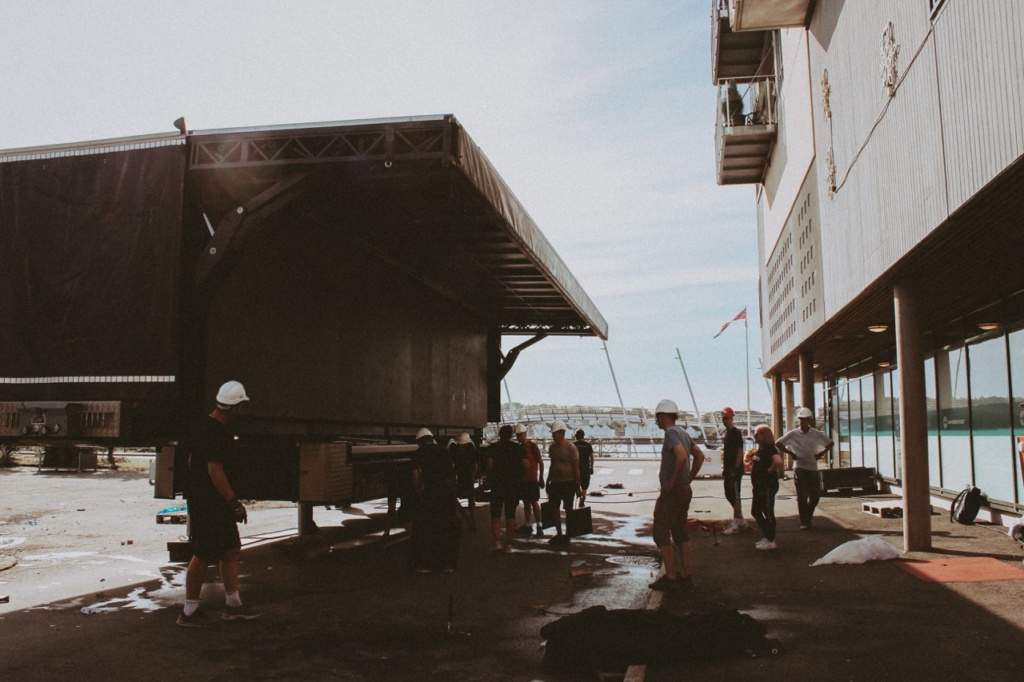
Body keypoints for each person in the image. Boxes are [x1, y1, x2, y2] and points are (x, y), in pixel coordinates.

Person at [177, 380, 261, 627]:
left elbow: (190, 461)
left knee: (230, 549)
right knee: (203, 553)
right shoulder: (219, 433)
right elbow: (215, 471)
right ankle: (189, 612)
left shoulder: (201, 426)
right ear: (236, 407)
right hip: (212, 502)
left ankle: (233, 605)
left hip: (203, 499)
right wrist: (233, 501)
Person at [649, 400, 704, 591]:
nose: (656, 420)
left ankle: (671, 576)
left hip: (673, 491)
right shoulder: (683, 432)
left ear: (664, 416)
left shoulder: (671, 433)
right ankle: (685, 574)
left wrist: (672, 482)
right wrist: (689, 478)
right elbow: (699, 455)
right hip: (684, 489)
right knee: (680, 531)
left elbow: (681, 456)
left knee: (660, 531)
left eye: (657, 417)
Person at [775, 407, 834, 529]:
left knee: (814, 497)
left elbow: (830, 443)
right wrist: (790, 453)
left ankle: (807, 516)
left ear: (809, 420)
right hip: (800, 467)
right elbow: (778, 443)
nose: (802, 422)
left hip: (812, 468)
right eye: (800, 419)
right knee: (802, 496)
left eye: (805, 419)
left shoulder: (816, 434)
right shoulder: (793, 434)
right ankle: (805, 521)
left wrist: (821, 454)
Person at [410, 428, 460, 573]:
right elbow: (453, 470)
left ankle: (427, 565)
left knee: (429, 527)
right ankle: (448, 565)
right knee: (447, 526)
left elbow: (416, 477)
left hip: (432, 490)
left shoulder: (418, 454)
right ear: (431, 438)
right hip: (449, 489)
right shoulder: (444, 450)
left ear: (419, 442)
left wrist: (420, 495)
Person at [485, 424, 524, 552]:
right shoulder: (518, 448)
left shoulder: (493, 447)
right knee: (510, 515)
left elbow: (489, 465)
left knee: (496, 514)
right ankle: (508, 545)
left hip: (497, 485)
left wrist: (490, 478)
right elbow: (526, 465)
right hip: (512, 485)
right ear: (511, 435)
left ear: (500, 434)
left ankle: (497, 542)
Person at [544, 420, 581, 547]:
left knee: (568, 510)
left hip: (568, 483)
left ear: (561, 433)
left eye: (554, 433)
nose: (552, 435)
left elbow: (576, 468)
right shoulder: (552, 447)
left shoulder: (571, 448)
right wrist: (548, 481)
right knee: (555, 509)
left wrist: (578, 486)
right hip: (555, 483)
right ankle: (559, 533)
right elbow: (552, 465)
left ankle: (568, 535)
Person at [749, 424, 785, 550]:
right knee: (755, 511)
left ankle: (770, 540)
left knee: (768, 512)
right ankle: (767, 535)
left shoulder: (770, 449)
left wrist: (769, 471)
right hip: (758, 486)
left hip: (767, 485)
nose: (754, 436)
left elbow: (778, 461)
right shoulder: (761, 449)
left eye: (756, 434)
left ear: (764, 436)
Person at [719, 407, 748, 535]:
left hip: (735, 470)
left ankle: (736, 522)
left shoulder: (736, 433)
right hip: (728, 469)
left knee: (735, 495)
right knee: (729, 493)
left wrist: (735, 469)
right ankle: (740, 519)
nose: (725, 421)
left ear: (731, 418)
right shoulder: (727, 433)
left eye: (727, 418)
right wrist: (725, 469)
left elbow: (740, 452)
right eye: (723, 418)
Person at [515, 424, 545, 537]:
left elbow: (541, 462)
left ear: (525, 434)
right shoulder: (519, 448)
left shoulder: (532, 446)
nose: (519, 437)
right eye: (518, 435)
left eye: (521, 435)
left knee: (533, 501)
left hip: (532, 479)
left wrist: (541, 477)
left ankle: (539, 525)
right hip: (523, 479)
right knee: (526, 502)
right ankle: (528, 524)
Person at [450, 432, 479, 530]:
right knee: (453, 498)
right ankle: (453, 519)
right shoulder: (453, 450)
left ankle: (472, 517)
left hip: (467, 476)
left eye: (463, 445)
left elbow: (474, 465)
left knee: (471, 496)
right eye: (460, 445)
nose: (462, 447)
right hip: (457, 475)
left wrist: (472, 476)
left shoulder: (471, 450)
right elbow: (451, 465)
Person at [573, 429, 595, 506]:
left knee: (576, 483)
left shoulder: (573, 445)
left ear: (576, 436)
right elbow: (591, 457)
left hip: (576, 468)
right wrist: (591, 467)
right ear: (583, 436)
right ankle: (583, 497)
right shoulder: (588, 445)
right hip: (585, 468)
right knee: (585, 485)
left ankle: (579, 496)